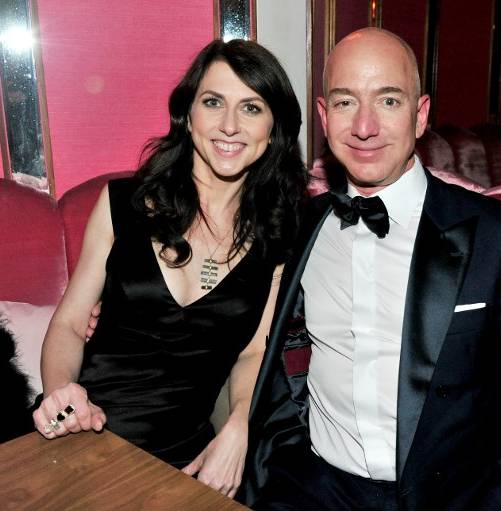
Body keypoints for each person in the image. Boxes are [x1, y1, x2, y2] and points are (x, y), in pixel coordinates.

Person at [241, 28, 501, 510]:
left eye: (388, 101)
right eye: (345, 102)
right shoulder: (300, 226)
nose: (364, 127)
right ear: (323, 116)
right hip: (312, 488)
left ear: (420, 115)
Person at [32, 38, 306, 498]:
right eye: (213, 102)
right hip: (81, 435)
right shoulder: (122, 203)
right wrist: (62, 392)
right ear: (188, 113)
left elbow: (254, 351)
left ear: (273, 127)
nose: (230, 125)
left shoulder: (278, 232)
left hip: (184, 460)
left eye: (251, 107)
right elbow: (71, 322)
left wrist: (239, 425)